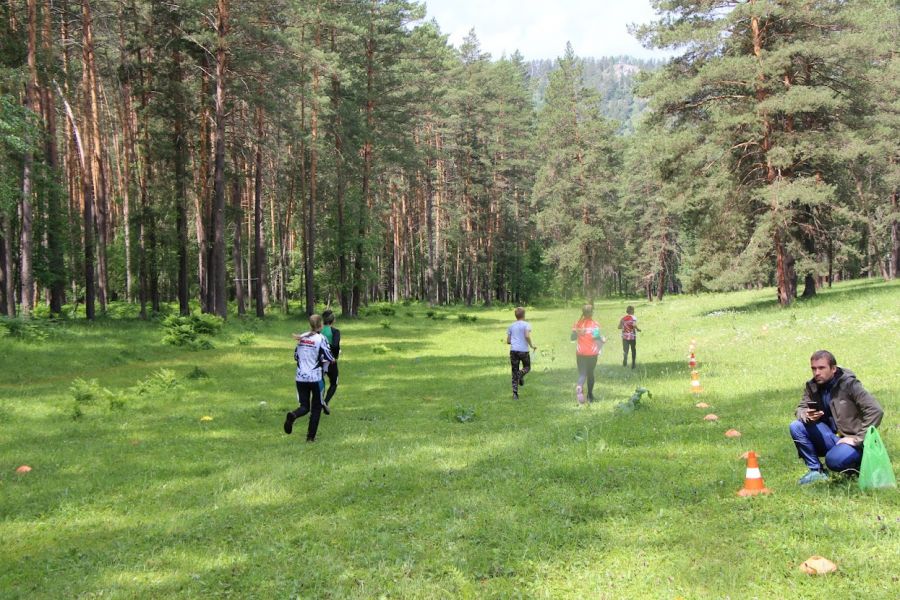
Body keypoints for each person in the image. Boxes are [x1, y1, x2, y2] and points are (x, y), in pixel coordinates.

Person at [789, 350, 884, 484]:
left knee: (833, 460)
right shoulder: (812, 386)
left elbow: (876, 410)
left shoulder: (850, 384)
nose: (817, 373)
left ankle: (859, 466)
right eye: (814, 368)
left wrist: (858, 439)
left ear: (833, 368)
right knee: (796, 426)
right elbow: (800, 408)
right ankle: (817, 471)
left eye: (821, 368)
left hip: (853, 441)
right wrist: (807, 415)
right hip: (831, 437)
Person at [284, 314, 335, 442]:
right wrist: (332, 360)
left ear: (310, 324)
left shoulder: (302, 337)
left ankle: (293, 415)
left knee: (304, 406)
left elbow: (296, 356)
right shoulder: (320, 338)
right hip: (315, 378)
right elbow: (329, 357)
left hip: (300, 377)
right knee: (316, 408)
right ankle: (310, 437)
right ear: (320, 325)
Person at [571, 304, 605, 403]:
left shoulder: (577, 324)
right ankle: (590, 396)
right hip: (592, 353)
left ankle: (579, 386)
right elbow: (596, 338)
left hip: (580, 352)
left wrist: (578, 332)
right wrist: (602, 339)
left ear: (583, 312)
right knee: (590, 374)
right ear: (591, 313)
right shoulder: (595, 324)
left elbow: (572, 338)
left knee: (582, 373)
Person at [506, 307, 536, 400]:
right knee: (527, 367)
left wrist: (515, 341)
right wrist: (531, 345)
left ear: (516, 315)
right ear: (524, 315)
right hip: (523, 350)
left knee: (514, 371)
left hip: (513, 351)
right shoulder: (526, 325)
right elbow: (527, 335)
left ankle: (515, 394)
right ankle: (520, 374)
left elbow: (508, 341)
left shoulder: (511, 326)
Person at [321, 309, 341, 410]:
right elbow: (335, 345)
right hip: (331, 361)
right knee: (334, 382)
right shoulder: (335, 331)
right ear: (333, 320)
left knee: (319, 382)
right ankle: (325, 402)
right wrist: (335, 356)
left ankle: (318, 401)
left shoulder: (317, 330)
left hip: (318, 361)